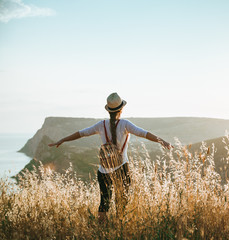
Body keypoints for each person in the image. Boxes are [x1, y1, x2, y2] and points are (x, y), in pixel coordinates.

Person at [48, 92, 172, 223]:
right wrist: (161, 141)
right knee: (121, 201)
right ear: (121, 109)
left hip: (103, 171)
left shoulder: (100, 125)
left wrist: (62, 140)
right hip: (121, 169)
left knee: (104, 203)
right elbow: (143, 133)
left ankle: (102, 230)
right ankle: (119, 228)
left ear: (108, 111)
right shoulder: (125, 124)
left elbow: (81, 133)